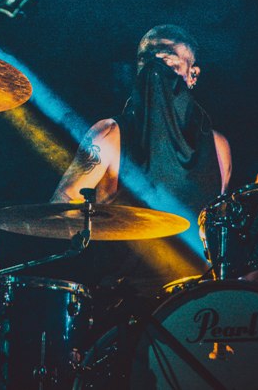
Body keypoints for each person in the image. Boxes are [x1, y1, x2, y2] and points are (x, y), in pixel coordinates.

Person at [50, 24, 232, 296]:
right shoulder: (109, 134)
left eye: (167, 58)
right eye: (146, 59)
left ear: (193, 74)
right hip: (127, 298)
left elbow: (218, 227)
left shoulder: (217, 146)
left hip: (196, 299)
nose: (155, 66)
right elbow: (60, 208)